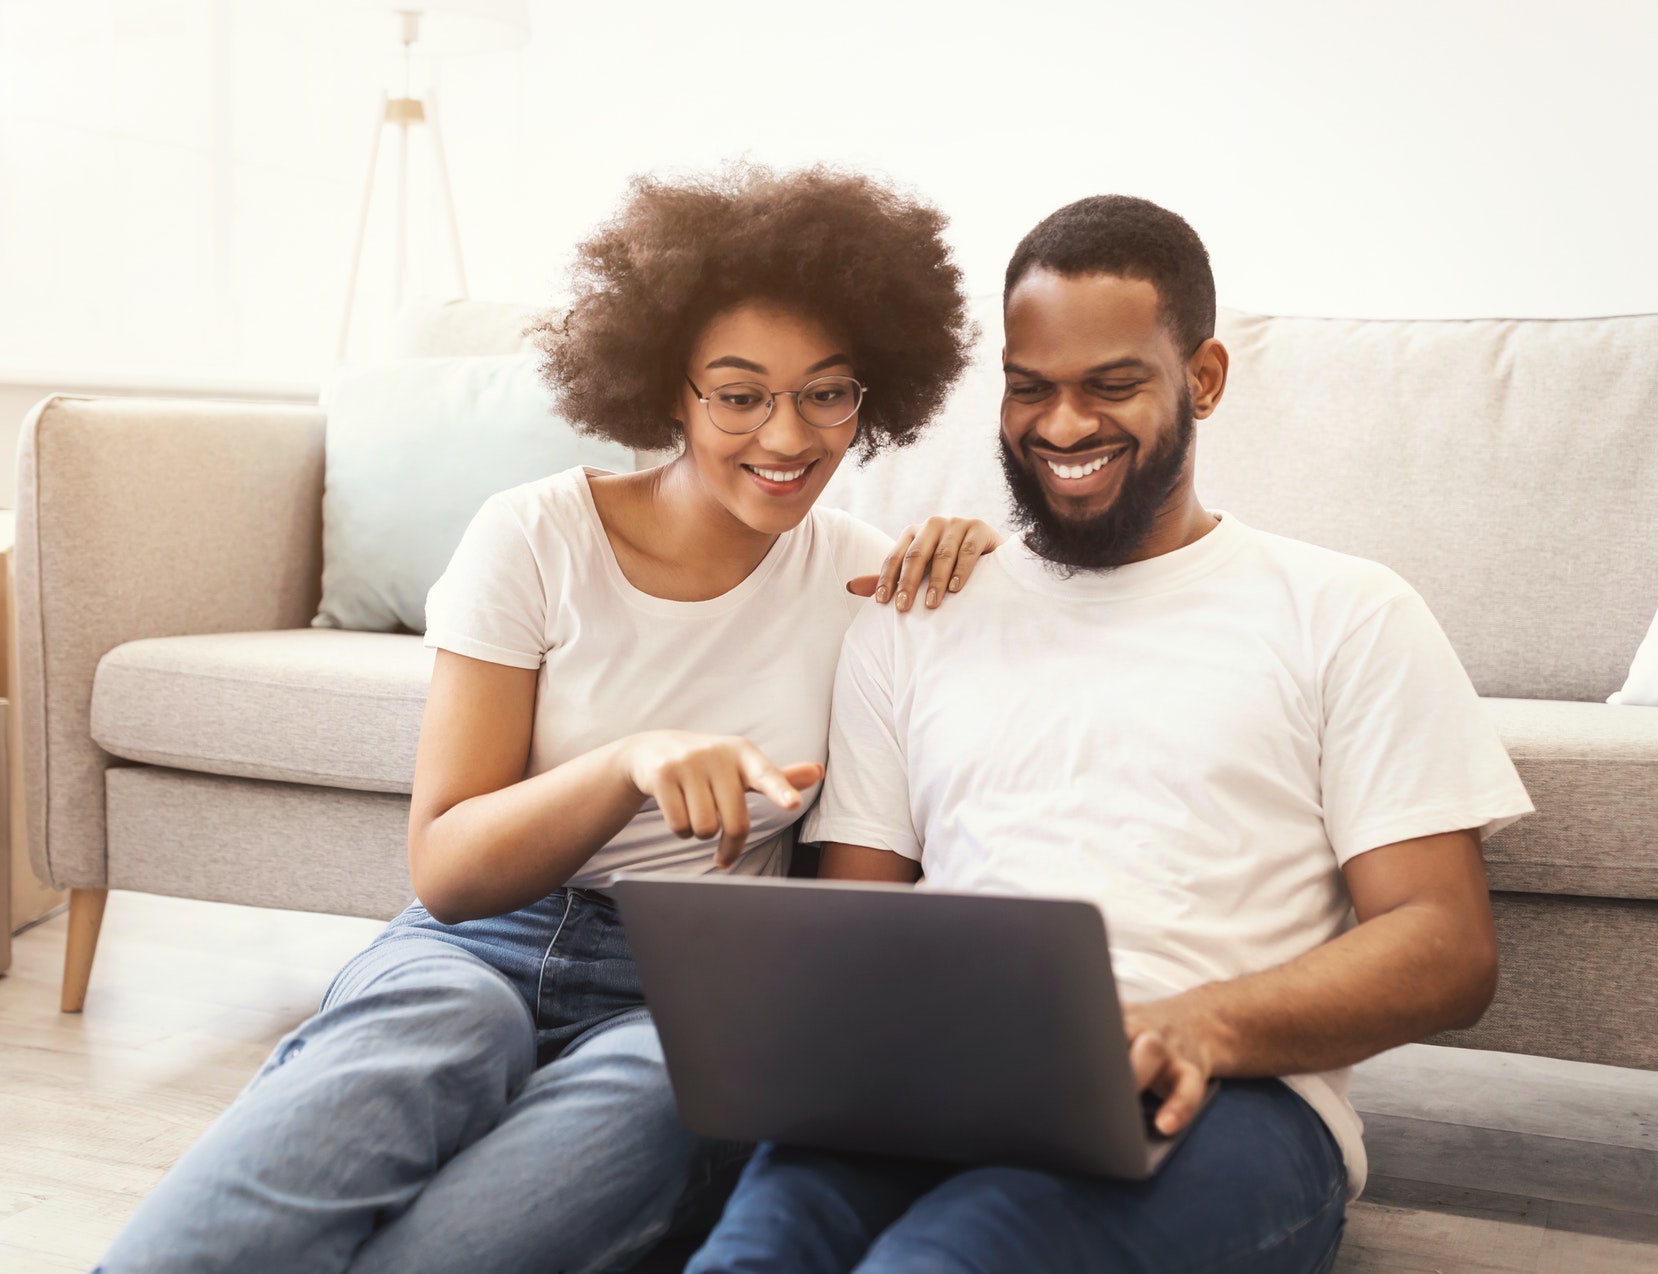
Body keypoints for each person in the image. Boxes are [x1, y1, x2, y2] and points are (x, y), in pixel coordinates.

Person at [95, 163, 1000, 1274]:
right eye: (736, 392)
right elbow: (448, 869)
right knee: (411, 1053)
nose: (786, 433)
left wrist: (999, 569)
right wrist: (627, 762)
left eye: (827, 390)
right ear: (667, 388)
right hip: (480, 940)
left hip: (692, 987)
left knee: (591, 1139)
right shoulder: (532, 535)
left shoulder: (871, 582)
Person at [687, 195, 1536, 1274]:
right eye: (1029, 387)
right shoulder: (915, 614)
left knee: (948, 1258)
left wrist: (1194, 1024)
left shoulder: (1345, 611)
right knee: (751, 1254)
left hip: (1225, 1094)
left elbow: (1444, 947)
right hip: (939, 1077)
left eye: (1112, 384)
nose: (1062, 424)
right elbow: (861, 910)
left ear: (1205, 378)